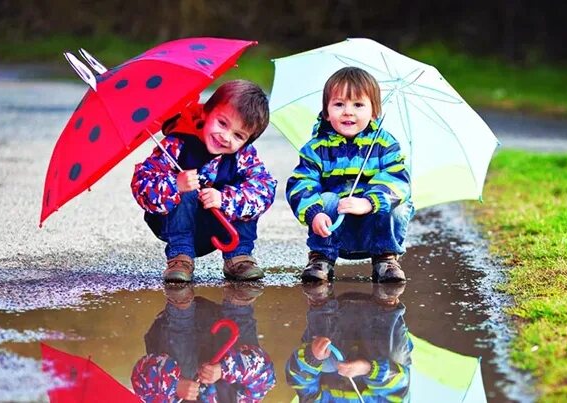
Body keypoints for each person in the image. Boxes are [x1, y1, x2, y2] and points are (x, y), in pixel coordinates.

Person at [132, 80, 277, 282]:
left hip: (222, 224)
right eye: (222, 123)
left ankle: (239, 256)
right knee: (187, 188)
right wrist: (175, 184)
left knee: (246, 190)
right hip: (178, 225)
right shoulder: (177, 145)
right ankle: (180, 258)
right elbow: (143, 182)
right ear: (206, 113)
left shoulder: (242, 156)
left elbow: (265, 188)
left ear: (247, 141)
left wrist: (225, 199)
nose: (225, 137)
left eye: (238, 135)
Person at [286, 67, 414, 283]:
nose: (348, 111)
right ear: (326, 111)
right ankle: (321, 258)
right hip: (334, 228)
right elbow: (301, 183)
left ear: (374, 112)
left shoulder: (385, 144)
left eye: (358, 105)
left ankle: (386, 258)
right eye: (339, 104)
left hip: (372, 228)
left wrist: (369, 202)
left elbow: (398, 181)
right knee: (326, 199)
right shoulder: (316, 148)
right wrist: (314, 213)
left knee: (400, 205)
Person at [131, 283, 276, 402]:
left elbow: (142, 378)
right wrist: (225, 369)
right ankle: (239, 297)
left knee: (183, 374)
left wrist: (175, 385)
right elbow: (264, 373)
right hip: (225, 327)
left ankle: (180, 301)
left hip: (176, 326)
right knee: (248, 358)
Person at [285, 283, 412, 402]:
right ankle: (387, 298)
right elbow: (401, 384)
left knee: (327, 363)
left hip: (335, 324)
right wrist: (369, 369)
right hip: (377, 325)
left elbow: (300, 382)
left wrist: (312, 358)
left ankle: (319, 296)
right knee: (396, 360)